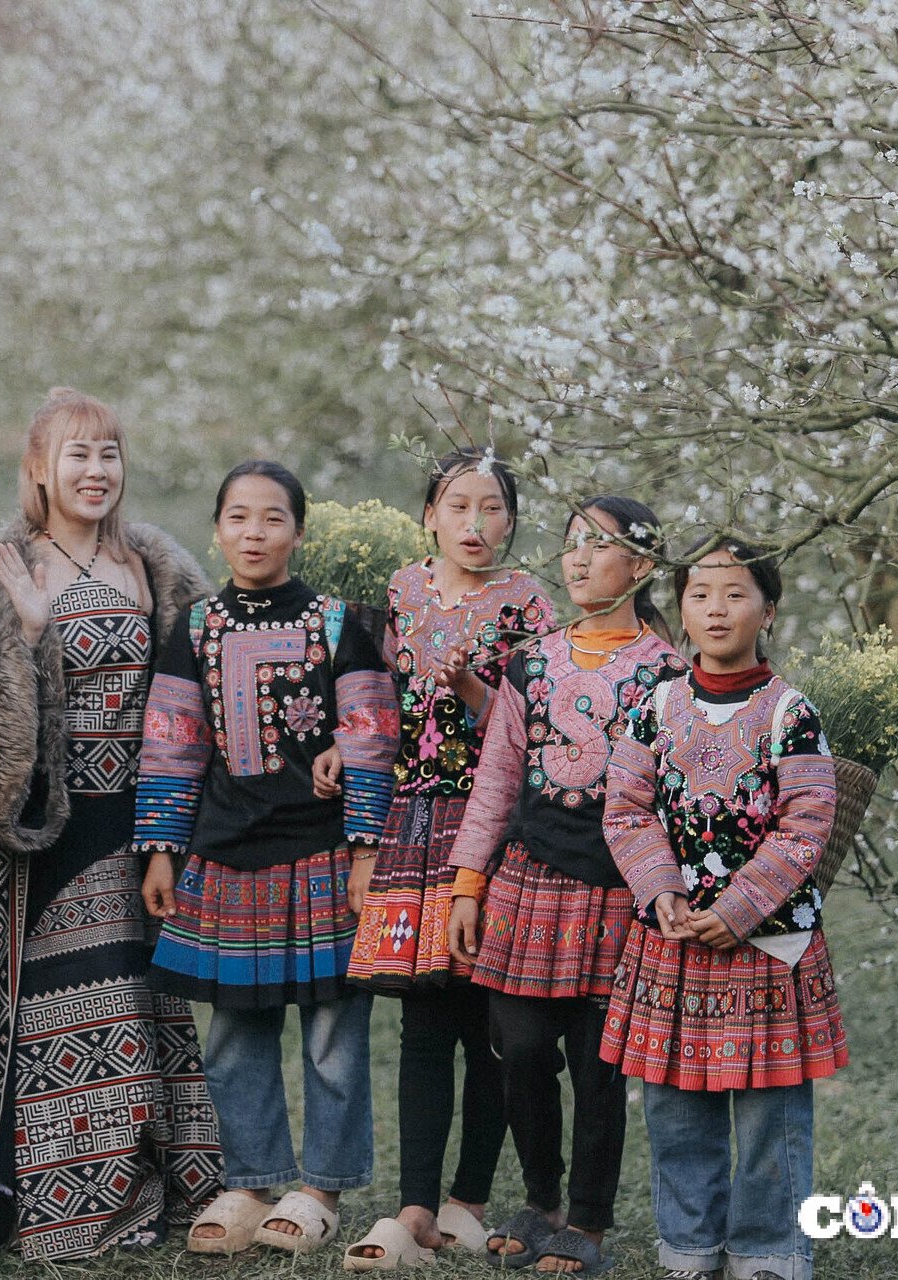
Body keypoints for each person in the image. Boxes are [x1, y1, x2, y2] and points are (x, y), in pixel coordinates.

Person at [0, 389, 222, 1258]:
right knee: (59, 1009)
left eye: (109, 454)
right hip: (47, 824)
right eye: (76, 455)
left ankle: (149, 1174)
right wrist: (34, 633)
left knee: (140, 1001)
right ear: (39, 470)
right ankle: (50, 1190)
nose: (96, 471)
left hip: (143, 818)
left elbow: (199, 691)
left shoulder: (159, 568)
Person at [134, 460, 398, 1257]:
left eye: (273, 518)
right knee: (235, 1035)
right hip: (224, 853)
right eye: (239, 517)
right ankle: (248, 1180)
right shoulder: (197, 629)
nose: (255, 533)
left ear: (300, 531)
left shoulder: (338, 623)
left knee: (332, 1032)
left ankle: (320, 1186)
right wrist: (161, 851)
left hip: (319, 853)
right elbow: (173, 745)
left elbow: (372, 733)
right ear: (218, 529)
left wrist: (362, 849)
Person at [445, 498, 687, 1275]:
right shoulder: (533, 661)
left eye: (601, 547)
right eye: (572, 544)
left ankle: (586, 1222)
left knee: (598, 1066)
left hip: (619, 891)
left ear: (642, 568)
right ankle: (540, 1198)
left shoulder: (668, 674)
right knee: (517, 1048)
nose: (579, 559)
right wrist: (466, 885)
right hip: (527, 881)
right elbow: (498, 777)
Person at [600, 538, 846, 1280]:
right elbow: (626, 808)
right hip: (672, 938)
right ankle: (690, 1246)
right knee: (675, 1104)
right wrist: (662, 888)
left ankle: (770, 1248)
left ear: (768, 610)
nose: (716, 609)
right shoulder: (659, 706)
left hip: (766, 943)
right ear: (680, 607)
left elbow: (808, 823)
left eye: (735, 594)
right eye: (700, 593)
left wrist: (738, 907)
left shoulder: (790, 714)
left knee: (770, 1107)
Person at [343, 448, 554, 1271]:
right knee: (424, 1018)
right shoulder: (399, 592)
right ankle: (415, 1206)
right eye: (459, 505)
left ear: (511, 519)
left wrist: (474, 692)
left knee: (489, 1023)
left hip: (493, 826)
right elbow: (368, 702)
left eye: (493, 508)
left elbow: (541, 728)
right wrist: (340, 752)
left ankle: (468, 1197)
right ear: (428, 513)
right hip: (410, 820)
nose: (476, 523)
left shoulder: (530, 602)